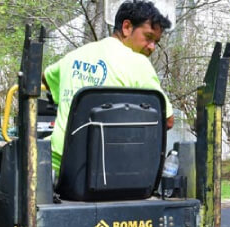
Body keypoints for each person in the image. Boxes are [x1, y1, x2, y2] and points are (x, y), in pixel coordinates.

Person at [43, 0, 175, 174]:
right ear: (127, 27)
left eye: (156, 42)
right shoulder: (138, 63)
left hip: (58, 167)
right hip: (108, 172)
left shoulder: (74, 56)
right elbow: (168, 120)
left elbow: (46, 78)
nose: (151, 47)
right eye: (148, 37)